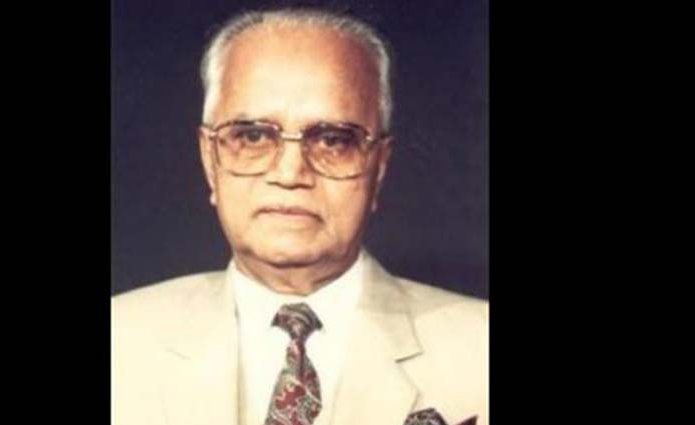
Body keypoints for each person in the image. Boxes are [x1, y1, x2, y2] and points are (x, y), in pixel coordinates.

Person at [112, 7, 488, 425]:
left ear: (378, 166)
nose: (290, 173)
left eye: (333, 140)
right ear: (209, 159)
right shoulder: (121, 344)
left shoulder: (479, 354)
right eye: (253, 136)